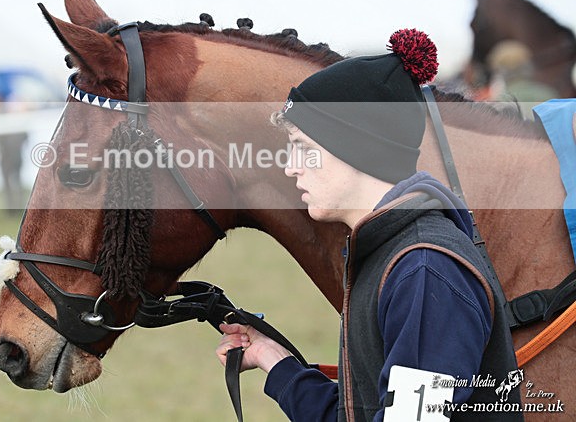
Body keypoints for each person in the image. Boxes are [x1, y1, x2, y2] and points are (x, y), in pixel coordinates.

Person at [215, 29, 522, 421]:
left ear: (356, 149)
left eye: (303, 149)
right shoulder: (391, 254)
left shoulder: (424, 271)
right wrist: (274, 360)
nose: (291, 167)